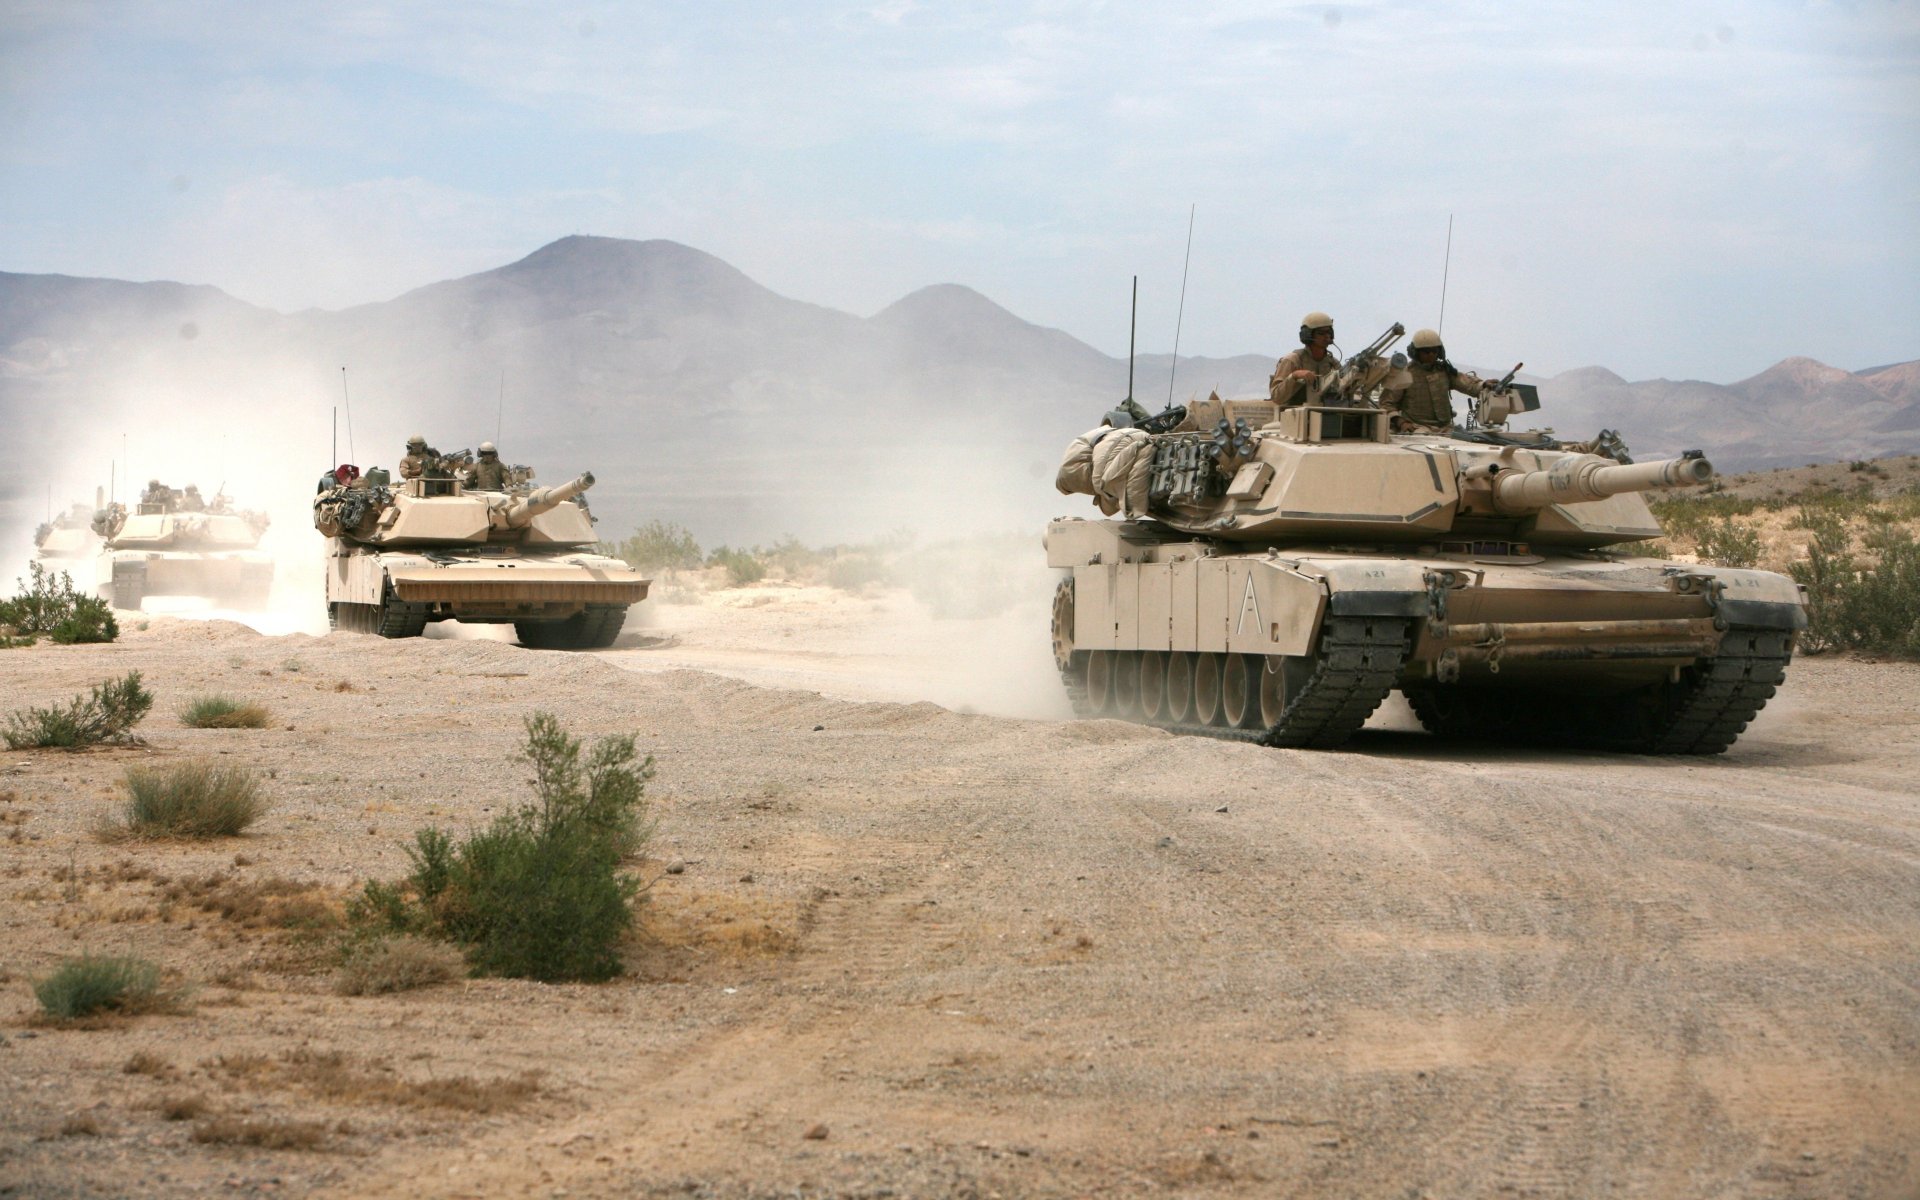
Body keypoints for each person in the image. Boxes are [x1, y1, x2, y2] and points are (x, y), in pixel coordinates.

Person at [1378, 328, 1491, 433]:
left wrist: (1484, 385)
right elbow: (1386, 404)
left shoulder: (1444, 371)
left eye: (1434, 351)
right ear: (1416, 352)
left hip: (1446, 428)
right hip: (1417, 427)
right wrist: (1401, 422)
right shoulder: (1404, 374)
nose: (1431, 355)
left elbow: (1466, 384)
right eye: (1426, 352)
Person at [1269, 312, 1341, 407]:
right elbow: (1276, 397)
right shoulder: (1292, 360)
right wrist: (1294, 376)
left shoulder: (1333, 364)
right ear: (1308, 335)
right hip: (1293, 413)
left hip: (1326, 413)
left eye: (1329, 332)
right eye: (1321, 333)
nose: (1327, 336)